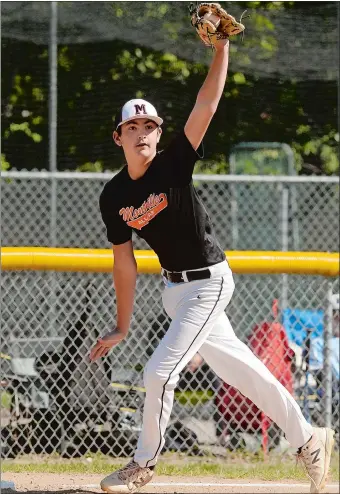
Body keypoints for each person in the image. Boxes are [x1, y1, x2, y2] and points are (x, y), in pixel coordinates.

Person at [89, 38, 334, 494]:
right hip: (175, 293)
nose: (141, 132)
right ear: (118, 136)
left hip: (209, 282)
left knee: (159, 372)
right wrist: (122, 326)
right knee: (245, 373)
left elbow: (206, 103)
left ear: (159, 134)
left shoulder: (174, 165)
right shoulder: (114, 196)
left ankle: (143, 463)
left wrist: (221, 47)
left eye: (149, 125)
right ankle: (310, 439)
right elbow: (124, 262)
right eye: (132, 126)